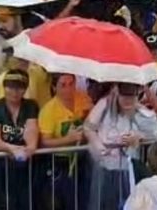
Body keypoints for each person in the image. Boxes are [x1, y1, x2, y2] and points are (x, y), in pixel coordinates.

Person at [84, 83, 157, 210]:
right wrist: (98, 144)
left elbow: (156, 135)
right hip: (105, 169)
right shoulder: (105, 104)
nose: (127, 101)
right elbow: (88, 127)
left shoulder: (144, 114)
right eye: (124, 96)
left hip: (129, 171)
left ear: (138, 94)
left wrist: (139, 136)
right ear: (117, 92)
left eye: (131, 97)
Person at [0, 69, 39, 210]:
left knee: (25, 202)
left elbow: (31, 132)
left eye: (19, 87)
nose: (14, 91)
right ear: (4, 87)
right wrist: (12, 148)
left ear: (25, 89)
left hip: (24, 167)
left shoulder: (30, 106)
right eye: (10, 86)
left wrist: (30, 148)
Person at [38, 73, 93, 210]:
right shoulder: (49, 110)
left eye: (71, 84)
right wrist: (69, 139)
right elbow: (44, 142)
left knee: (82, 200)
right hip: (59, 163)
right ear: (54, 87)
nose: (68, 89)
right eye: (63, 85)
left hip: (81, 159)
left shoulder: (82, 98)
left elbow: (92, 117)